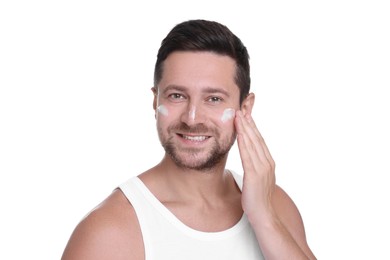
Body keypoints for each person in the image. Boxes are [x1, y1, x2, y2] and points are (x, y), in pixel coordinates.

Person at [61, 19, 316, 259]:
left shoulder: (274, 206)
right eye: (177, 96)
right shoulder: (110, 231)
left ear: (245, 108)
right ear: (155, 100)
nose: (192, 119)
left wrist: (265, 219)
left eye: (214, 99)